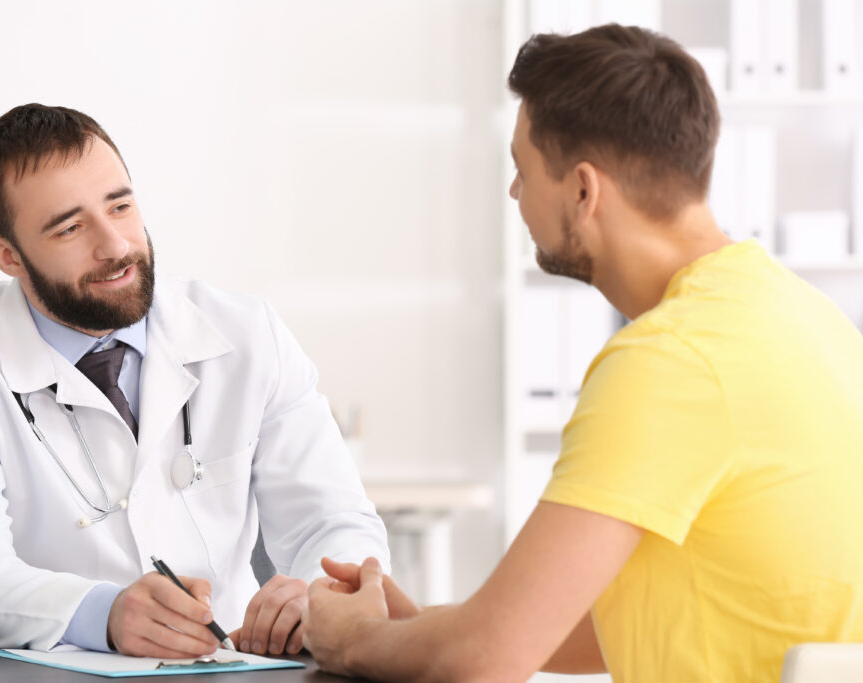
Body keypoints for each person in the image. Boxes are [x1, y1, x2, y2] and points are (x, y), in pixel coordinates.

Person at [302, 24, 863, 682]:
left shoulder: (670, 359)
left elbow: (485, 661)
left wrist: (354, 640)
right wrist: (419, 628)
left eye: (522, 168)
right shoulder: (809, 319)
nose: (515, 194)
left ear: (583, 191)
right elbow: (613, 618)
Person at [0, 103, 389, 659]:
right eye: (71, 228)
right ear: (8, 256)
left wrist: (323, 594)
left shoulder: (247, 334)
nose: (116, 246)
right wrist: (101, 613)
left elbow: (335, 520)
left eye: (120, 206)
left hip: (235, 666)